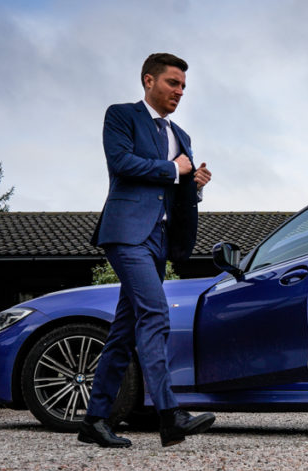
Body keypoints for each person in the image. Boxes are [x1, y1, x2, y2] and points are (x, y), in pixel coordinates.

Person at [78, 53, 215, 449]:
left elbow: (176, 186)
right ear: (148, 80)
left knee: (123, 332)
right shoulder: (121, 115)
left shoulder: (182, 135)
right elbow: (122, 164)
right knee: (155, 313)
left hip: (159, 240)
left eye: (184, 86)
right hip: (126, 233)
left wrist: (195, 184)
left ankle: (95, 421)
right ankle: (170, 415)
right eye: (173, 83)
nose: (180, 91)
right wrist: (176, 170)